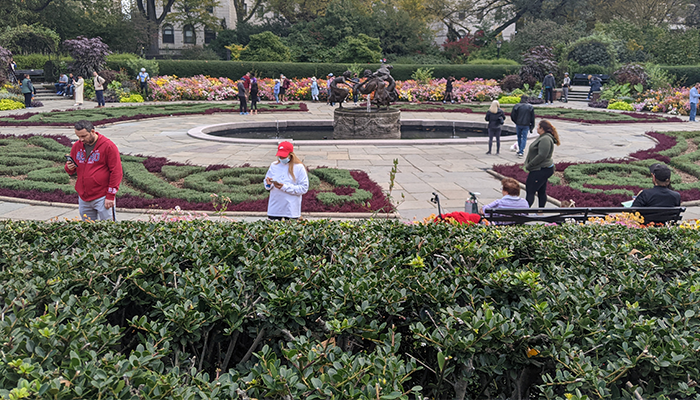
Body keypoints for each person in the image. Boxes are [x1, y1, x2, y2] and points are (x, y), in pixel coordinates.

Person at [64, 120, 123, 221]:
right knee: (88, 229)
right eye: (78, 137)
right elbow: (70, 169)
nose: (81, 139)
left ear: (92, 131)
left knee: (109, 228)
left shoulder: (108, 146)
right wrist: (69, 167)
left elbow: (116, 172)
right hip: (84, 197)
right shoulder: (77, 146)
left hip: (102, 196)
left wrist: (110, 195)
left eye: (84, 136)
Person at [264, 141, 309, 220]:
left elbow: (303, 188)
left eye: (284, 156)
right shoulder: (274, 165)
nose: (281, 158)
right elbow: (267, 183)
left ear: (290, 155)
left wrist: (284, 187)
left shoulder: (299, 167)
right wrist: (268, 184)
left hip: (291, 208)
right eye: (280, 156)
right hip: (275, 207)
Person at [524, 120, 560, 207]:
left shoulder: (545, 139)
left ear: (542, 128)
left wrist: (530, 165)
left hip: (540, 169)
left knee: (530, 191)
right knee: (541, 190)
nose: (537, 128)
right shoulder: (543, 137)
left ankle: (524, 212)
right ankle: (540, 211)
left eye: (538, 126)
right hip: (541, 168)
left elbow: (542, 155)